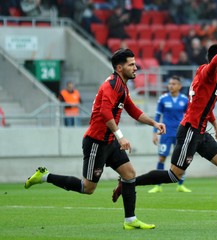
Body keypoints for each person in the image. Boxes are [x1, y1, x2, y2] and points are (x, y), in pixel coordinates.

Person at [112, 28, 217, 224]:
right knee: (174, 175)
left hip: (201, 132)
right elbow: (214, 64)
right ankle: (128, 181)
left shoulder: (211, 79)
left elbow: (205, 106)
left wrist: (216, 126)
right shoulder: (208, 71)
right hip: (190, 131)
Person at [24, 48, 166, 230]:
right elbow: (104, 112)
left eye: (134, 63)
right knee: (87, 188)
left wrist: (154, 123)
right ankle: (44, 176)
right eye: (131, 64)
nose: (135, 67)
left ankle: (130, 220)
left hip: (110, 142)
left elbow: (133, 110)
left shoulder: (122, 86)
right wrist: (121, 137)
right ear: (120, 67)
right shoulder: (111, 85)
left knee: (129, 174)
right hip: (96, 143)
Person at [148, 76, 190, 193]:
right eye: (170, 83)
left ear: (179, 86)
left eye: (174, 84)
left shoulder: (185, 100)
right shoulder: (163, 99)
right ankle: (158, 185)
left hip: (180, 134)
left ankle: (180, 185)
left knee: (181, 159)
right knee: (162, 158)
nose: (171, 86)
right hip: (165, 133)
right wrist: (154, 133)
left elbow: (188, 117)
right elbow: (157, 116)